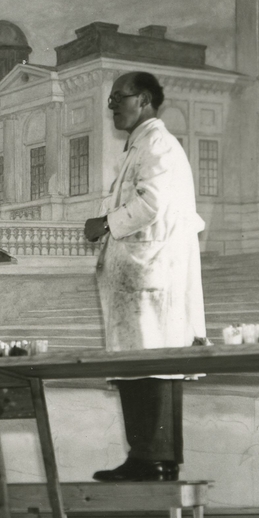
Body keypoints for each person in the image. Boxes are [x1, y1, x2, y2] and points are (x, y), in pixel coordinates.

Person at [84, 71, 207, 483]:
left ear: (145, 100)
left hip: (150, 277)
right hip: (141, 276)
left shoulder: (156, 145)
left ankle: (153, 459)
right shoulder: (142, 145)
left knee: (150, 364)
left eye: (120, 97)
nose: (112, 105)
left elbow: (152, 203)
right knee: (143, 363)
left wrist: (106, 223)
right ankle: (151, 458)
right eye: (111, 98)